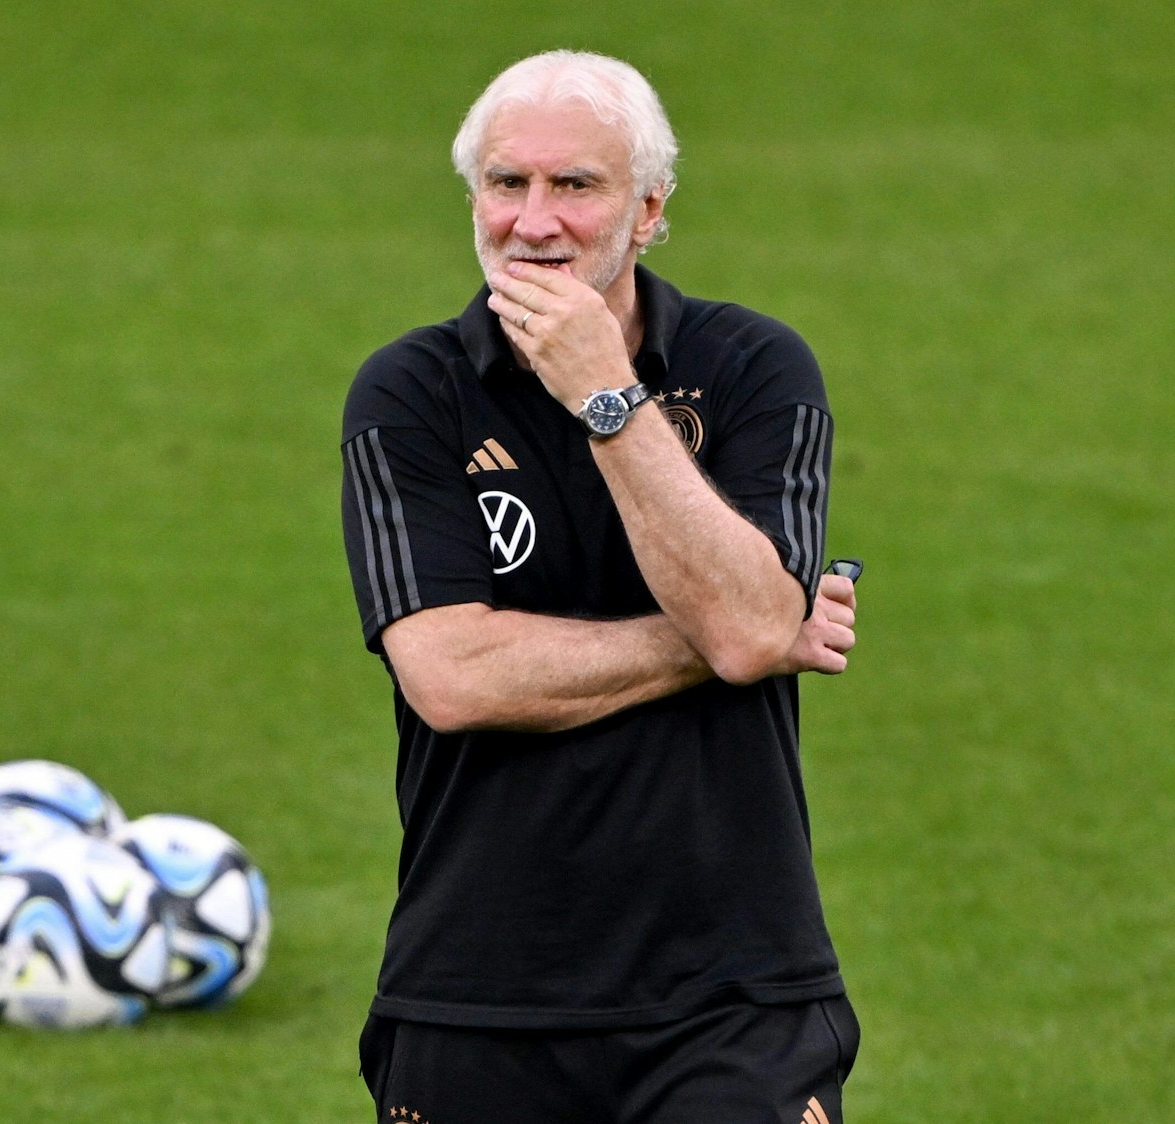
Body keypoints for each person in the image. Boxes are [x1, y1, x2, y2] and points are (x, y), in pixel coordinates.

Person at [338, 50, 862, 1124]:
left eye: (575, 186)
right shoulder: (410, 393)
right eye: (505, 182)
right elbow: (451, 676)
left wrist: (607, 395)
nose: (533, 221)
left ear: (651, 208)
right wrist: (736, 634)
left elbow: (751, 623)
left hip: (736, 997)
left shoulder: (760, 368)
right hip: (476, 994)